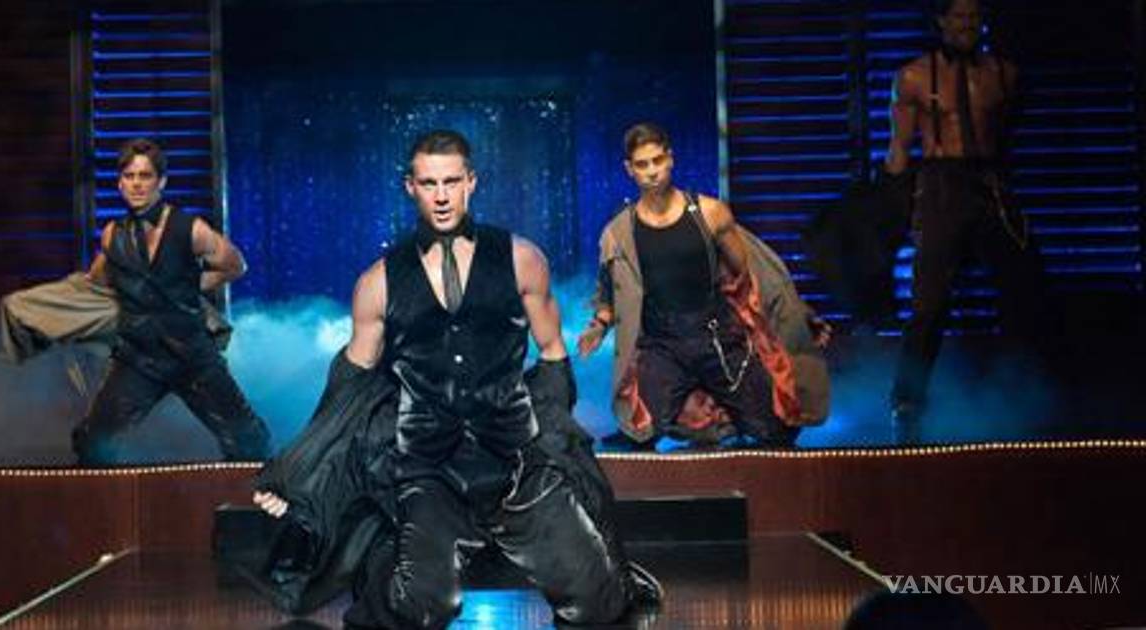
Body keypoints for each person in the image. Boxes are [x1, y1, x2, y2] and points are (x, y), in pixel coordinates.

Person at [251, 130, 658, 628]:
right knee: (420, 607)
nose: (441, 196)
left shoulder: (521, 259)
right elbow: (347, 389)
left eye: (451, 182)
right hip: (429, 471)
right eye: (429, 183)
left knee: (598, 605)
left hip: (515, 461)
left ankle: (603, 576)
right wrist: (294, 472)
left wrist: (550, 431)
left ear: (471, 182)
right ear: (411, 187)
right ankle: (391, 559)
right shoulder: (378, 282)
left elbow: (553, 353)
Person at [577, 122, 830, 451]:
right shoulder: (619, 232)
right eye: (642, 164)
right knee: (638, 431)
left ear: (670, 159)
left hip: (716, 337)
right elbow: (611, 293)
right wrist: (598, 325)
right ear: (630, 169)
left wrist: (800, 313)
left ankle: (730, 431)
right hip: (661, 344)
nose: (652, 172)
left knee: (775, 430)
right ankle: (695, 436)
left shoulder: (710, 213)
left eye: (657, 160)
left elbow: (752, 276)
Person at [884, 0, 1044, 423]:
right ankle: (907, 399)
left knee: (1024, 287)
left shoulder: (1003, 74)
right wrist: (893, 206)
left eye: (973, 17)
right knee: (929, 302)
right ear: (941, 21)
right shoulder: (915, 76)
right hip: (941, 184)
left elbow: (1008, 133)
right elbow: (898, 150)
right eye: (958, 16)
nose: (967, 24)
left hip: (989, 180)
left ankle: (1024, 388)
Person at [71, 138, 270, 464]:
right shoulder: (112, 235)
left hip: (191, 355)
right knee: (94, 445)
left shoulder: (191, 228)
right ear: (120, 183)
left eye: (145, 175)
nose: (137, 183)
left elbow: (236, 265)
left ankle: (249, 497)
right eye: (129, 176)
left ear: (161, 181)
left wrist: (192, 284)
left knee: (250, 443)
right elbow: (96, 283)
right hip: (139, 359)